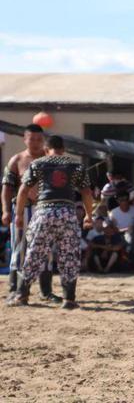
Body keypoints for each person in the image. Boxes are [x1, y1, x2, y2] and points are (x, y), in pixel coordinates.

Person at [7, 136, 94, 309]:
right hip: (67, 213)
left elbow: (23, 190)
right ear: (63, 149)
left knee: (34, 254)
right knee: (69, 255)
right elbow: (86, 192)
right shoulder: (76, 165)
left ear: (47, 149)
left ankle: (22, 295)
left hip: (44, 212)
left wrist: (18, 215)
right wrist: (88, 215)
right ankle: (69, 299)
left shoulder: (38, 164)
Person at [1, 124, 60, 303]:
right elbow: (7, 188)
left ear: (43, 140)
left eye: (38, 139)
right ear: (25, 139)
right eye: (31, 139)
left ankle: (45, 291)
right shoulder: (16, 160)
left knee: (47, 250)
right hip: (22, 209)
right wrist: (5, 210)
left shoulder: (50, 159)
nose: (35, 143)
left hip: (45, 210)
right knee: (19, 249)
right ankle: (15, 289)